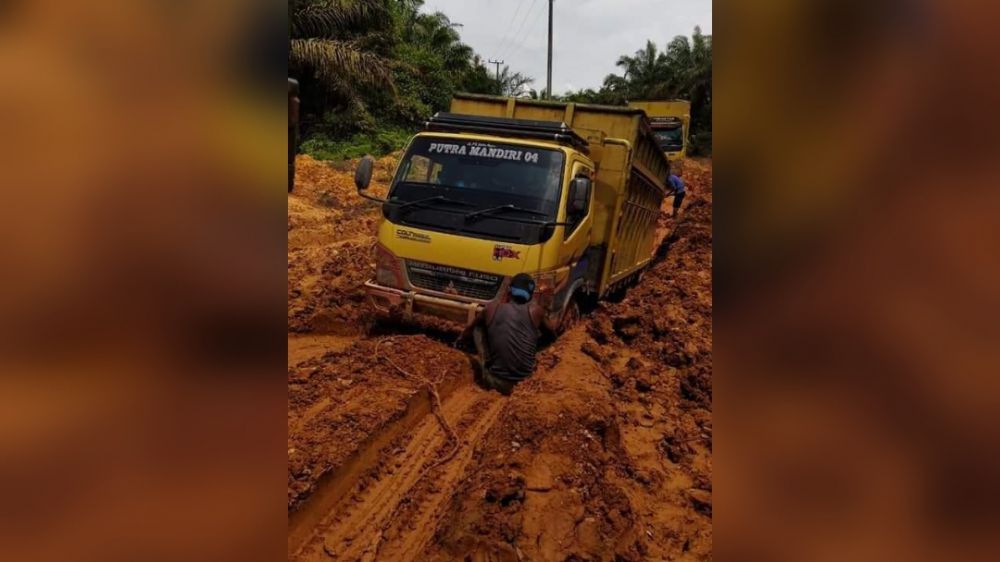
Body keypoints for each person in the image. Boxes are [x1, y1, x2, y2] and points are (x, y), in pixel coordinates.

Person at [465, 273, 559, 395]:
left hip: (494, 383)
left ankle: (485, 365)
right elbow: (552, 337)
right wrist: (533, 348)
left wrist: (462, 345)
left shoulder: (490, 309)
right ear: (530, 296)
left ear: (509, 290)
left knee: (478, 328)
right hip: (524, 383)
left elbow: (468, 332)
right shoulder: (537, 312)